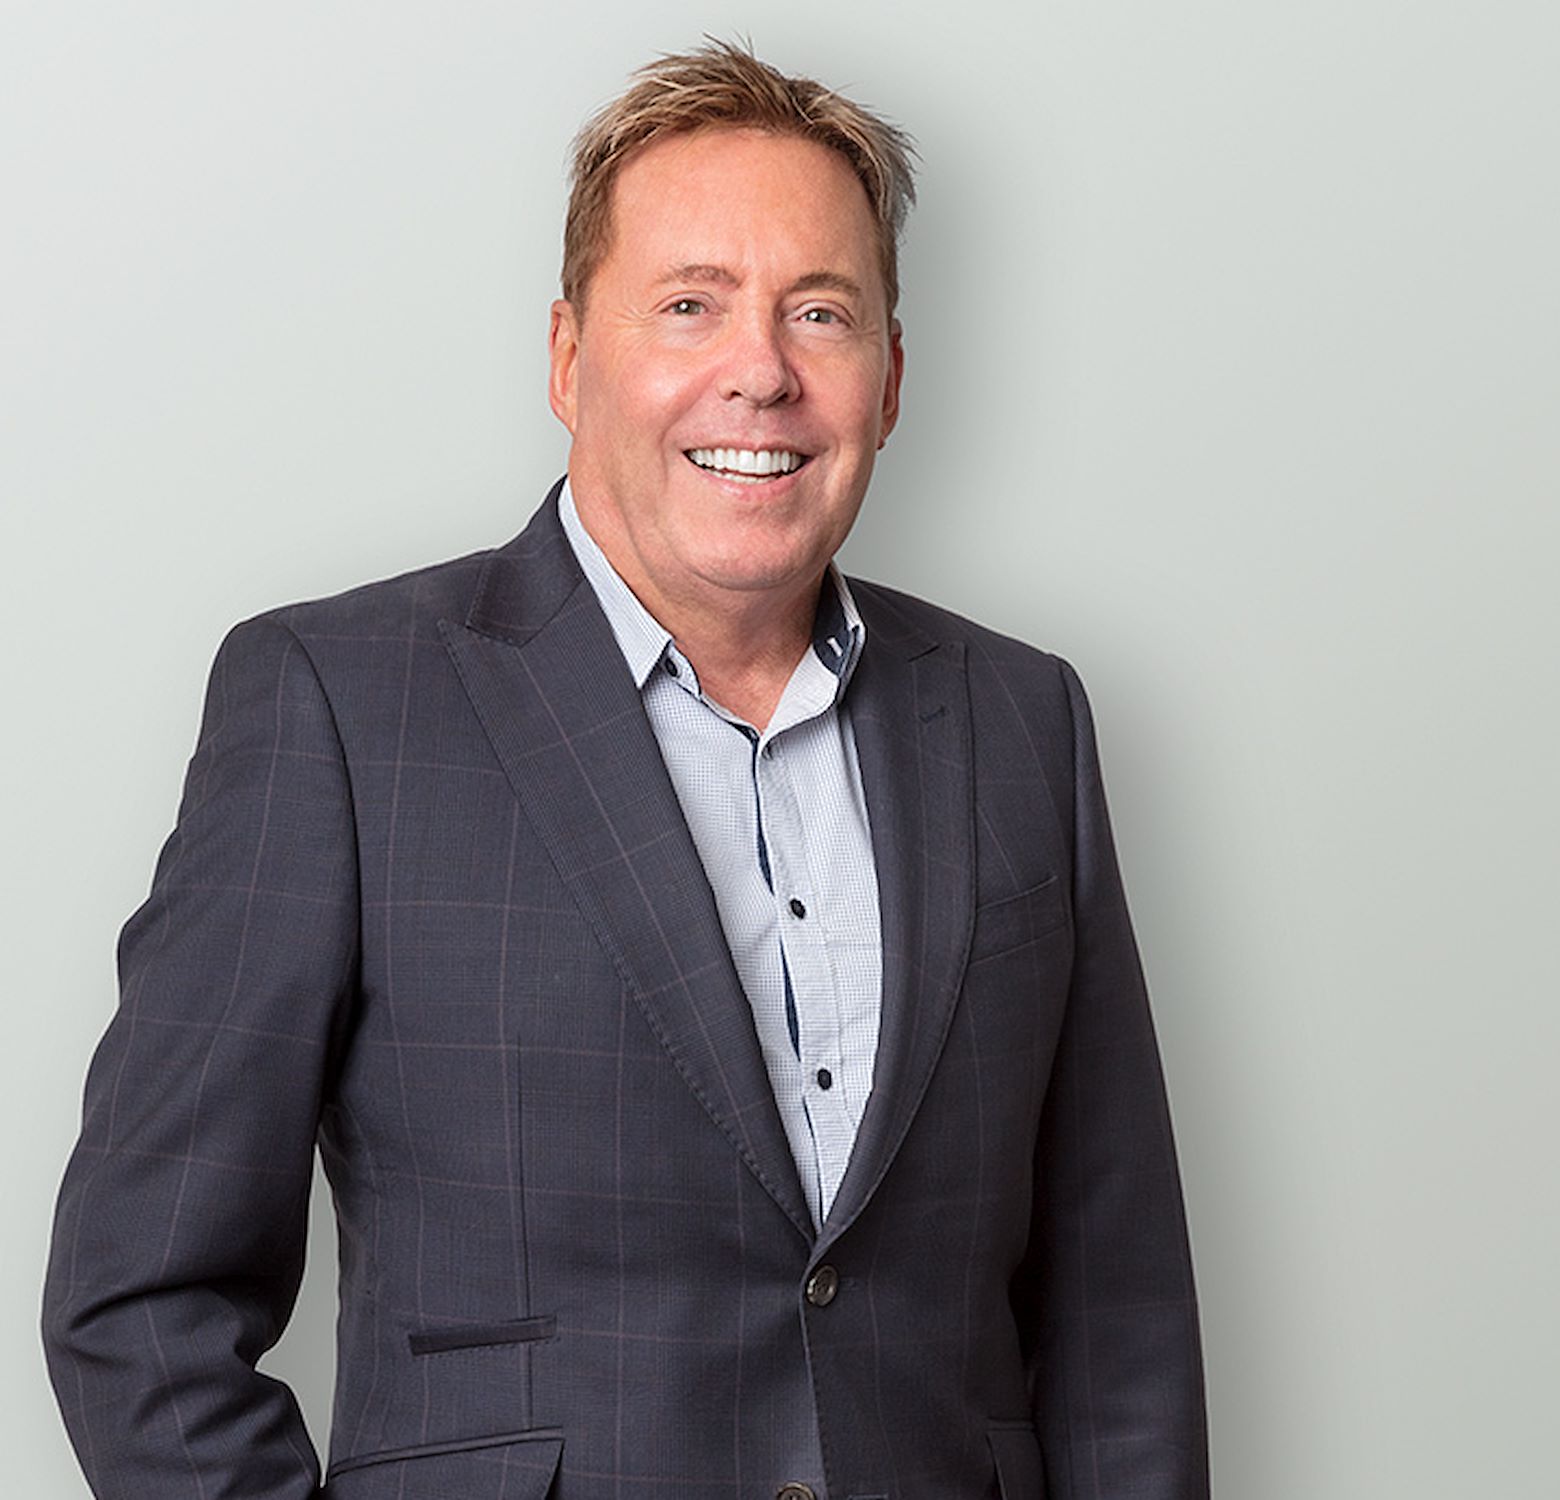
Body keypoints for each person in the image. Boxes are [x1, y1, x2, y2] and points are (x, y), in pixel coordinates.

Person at [43, 41, 1208, 1500]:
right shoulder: (340, 707)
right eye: (689, 305)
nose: (762, 372)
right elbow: (138, 1302)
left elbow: (1118, 1321)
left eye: (821, 312)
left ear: (892, 378)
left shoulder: (1021, 721)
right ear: (567, 358)